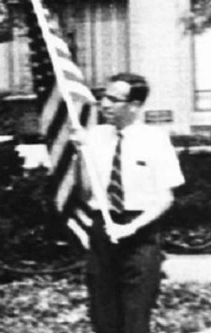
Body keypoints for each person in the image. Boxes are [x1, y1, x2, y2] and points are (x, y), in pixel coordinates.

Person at [77, 73, 184, 333]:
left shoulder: (155, 139)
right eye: (103, 97)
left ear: (134, 105)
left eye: (114, 99)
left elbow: (165, 197)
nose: (104, 104)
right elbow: (85, 193)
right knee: (104, 318)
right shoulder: (95, 136)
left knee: (135, 319)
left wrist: (131, 228)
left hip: (139, 235)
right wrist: (81, 155)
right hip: (102, 230)